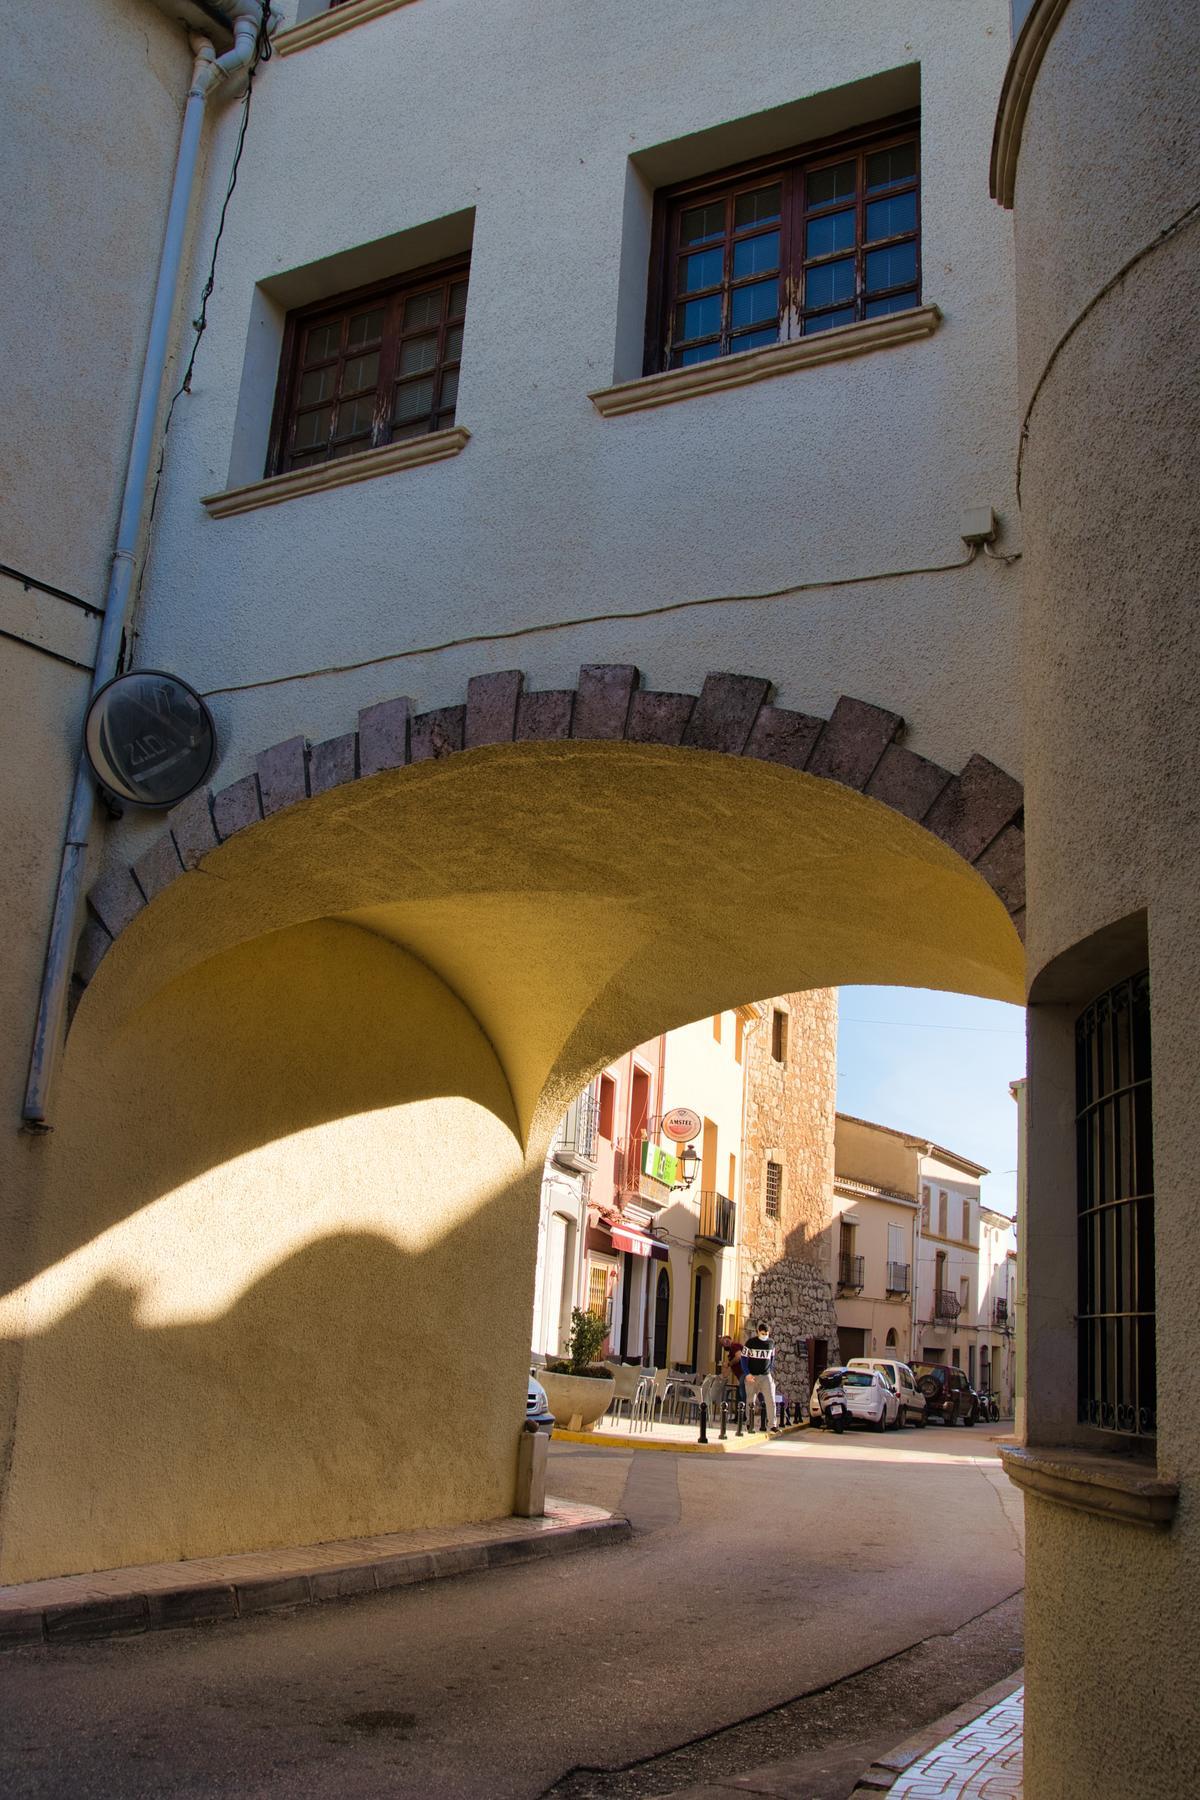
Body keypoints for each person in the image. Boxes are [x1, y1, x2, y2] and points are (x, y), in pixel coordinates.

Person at [743, 1321, 779, 1431]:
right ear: (758, 1332)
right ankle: (749, 1423)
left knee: (771, 1400)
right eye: (762, 1333)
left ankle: (772, 1425)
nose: (764, 1335)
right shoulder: (750, 1343)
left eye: (766, 1333)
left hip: (765, 1376)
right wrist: (747, 1374)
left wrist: (770, 1370)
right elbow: (743, 1359)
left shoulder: (771, 1343)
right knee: (750, 1400)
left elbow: (772, 1358)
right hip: (752, 1376)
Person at [720, 1333, 746, 1411]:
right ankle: (739, 1416)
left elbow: (738, 1357)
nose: (725, 1344)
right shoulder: (731, 1351)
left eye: (726, 1341)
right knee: (739, 1395)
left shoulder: (734, 1346)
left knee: (742, 1395)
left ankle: (743, 1415)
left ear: (730, 1339)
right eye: (722, 1344)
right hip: (741, 1375)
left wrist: (729, 1363)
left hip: (744, 1374)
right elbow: (731, 1367)